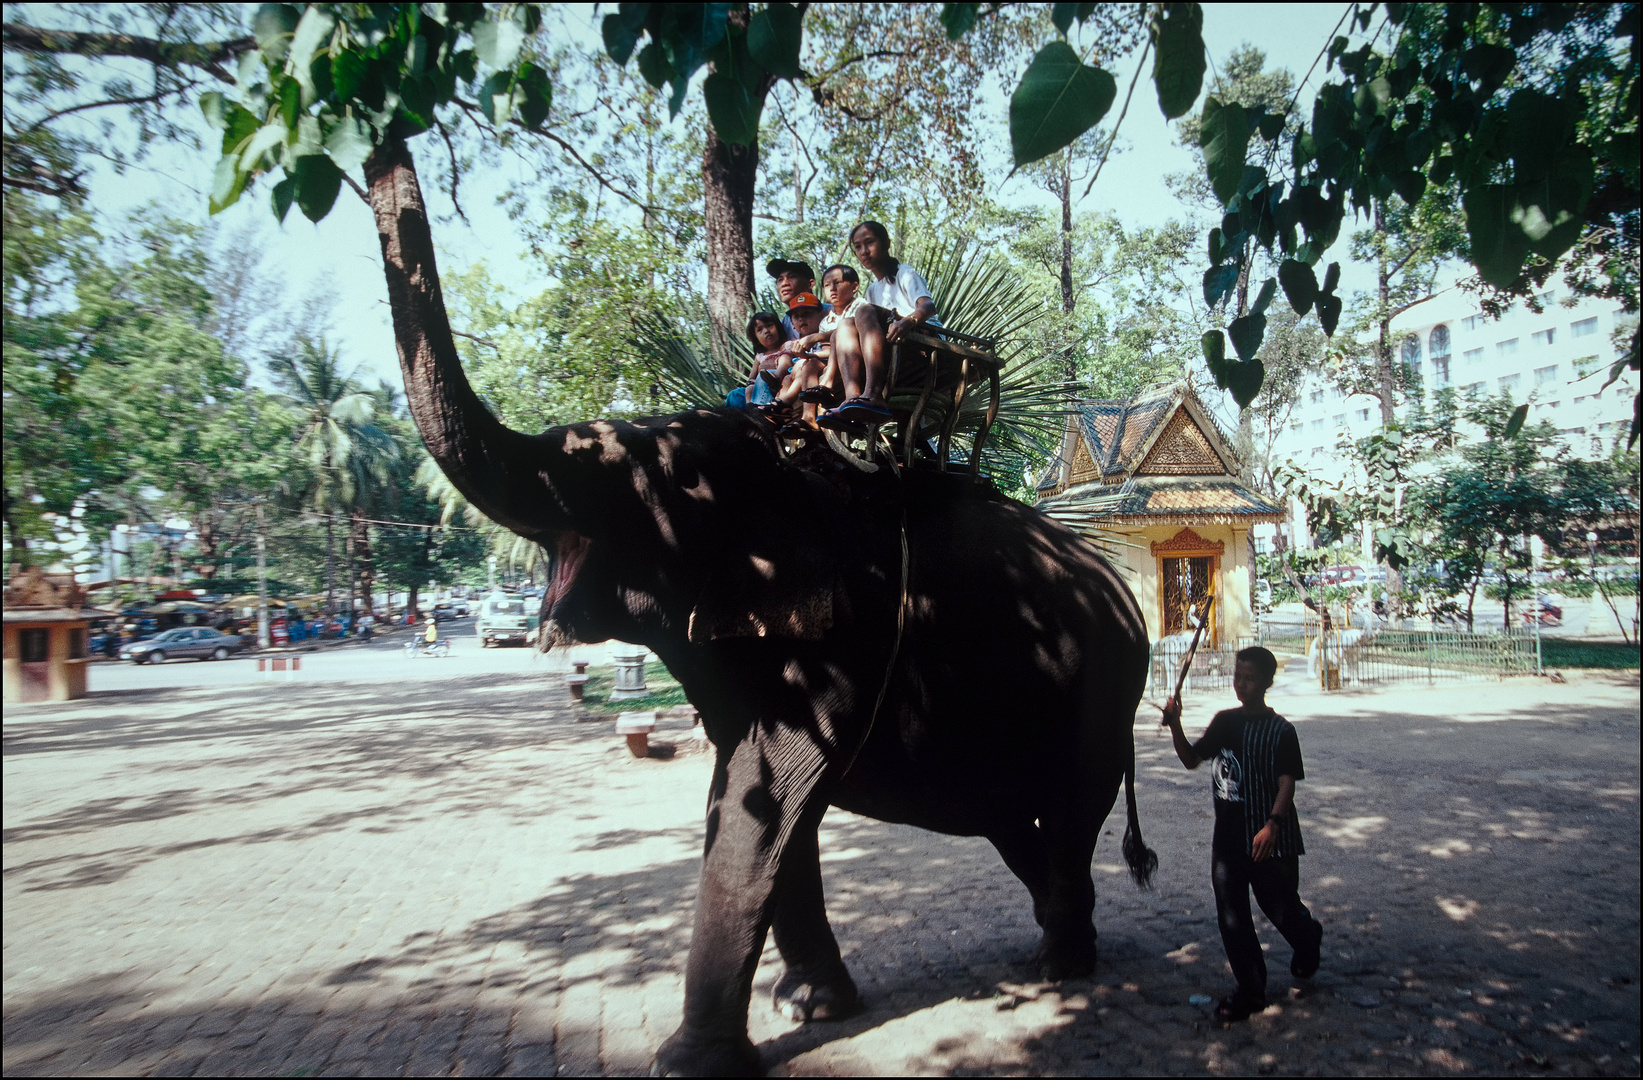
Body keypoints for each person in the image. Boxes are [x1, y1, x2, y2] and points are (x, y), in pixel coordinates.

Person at [1159, 646, 1323, 1023]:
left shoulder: (1282, 731)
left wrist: (1273, 825)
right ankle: (1251, 989)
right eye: (1238, 677)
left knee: (1278, 906)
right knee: (1232, 915)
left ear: (1267, 682)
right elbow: (1190, 759)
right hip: (1229, 838)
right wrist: (1176, 723)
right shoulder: (1224, 723)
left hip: (1268, 838)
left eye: (1250, 679)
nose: (1242, 685)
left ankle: (1307, 936)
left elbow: (1286, 783)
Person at [819, 221, 941, 430]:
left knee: (864, 311)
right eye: (858, 247)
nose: (864, 251)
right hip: (894, 348)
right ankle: (853, 400)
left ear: (886, 244)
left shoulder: (904, 273)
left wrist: (908, 321)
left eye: (869, 243)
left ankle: (873, 394)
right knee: (846, 324)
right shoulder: (873, 290)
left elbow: (928, 306)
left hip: (924, 343)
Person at [767, 258, 830, 339]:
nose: (784, 283)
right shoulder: (783, 325)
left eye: (792, 276)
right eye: (780, 279)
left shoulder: (831, 312)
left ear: (810, 284)